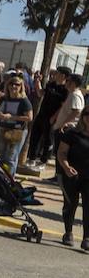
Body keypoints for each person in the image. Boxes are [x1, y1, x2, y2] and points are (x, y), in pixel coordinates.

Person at [55, 106, 89, 250]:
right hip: (71, 175)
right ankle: (68, 232)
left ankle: (87, 237)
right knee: (70, 204)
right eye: (87, 114)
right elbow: (61, 153)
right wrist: (66, 167)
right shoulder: (72, 133)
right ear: (83, 116)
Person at [0, 74, 33, 168]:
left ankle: (9, 179)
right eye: (11, 84)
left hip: (17, 131)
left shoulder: (24, 101)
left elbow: (29, 117)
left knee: (11, 159)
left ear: (21, 87)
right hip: (2, 128)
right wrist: (0, 115)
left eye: (17, 84)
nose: (13, 86)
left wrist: (11, 117)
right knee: (1, 156)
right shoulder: (3, 98)